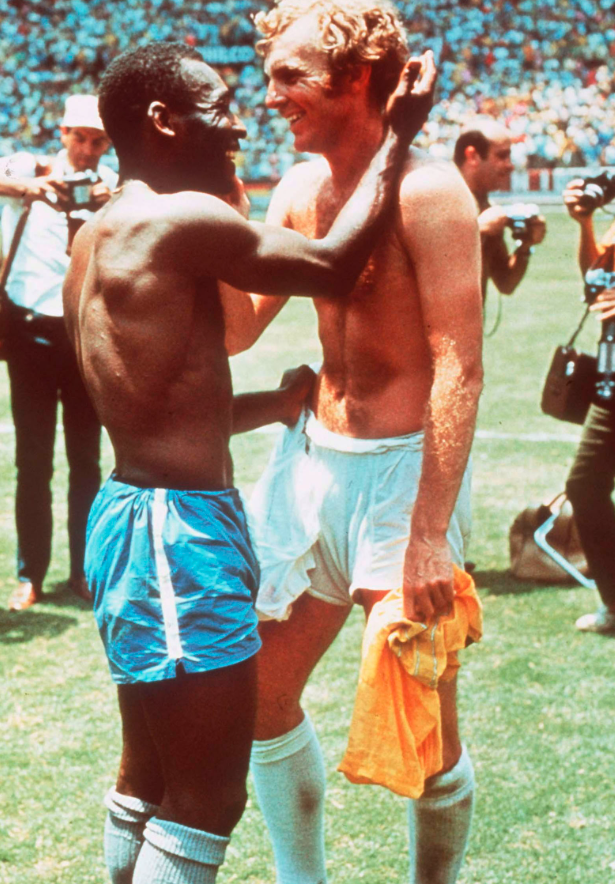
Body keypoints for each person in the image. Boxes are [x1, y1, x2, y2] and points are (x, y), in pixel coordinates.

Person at [62, 41, 435, 884]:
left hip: (137, 516)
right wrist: (398, 135)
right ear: (162, 120)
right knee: (205, 800)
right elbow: (334, 265)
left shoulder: (97, 233)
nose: (240, 122)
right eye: (219, 103)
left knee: (149, 778)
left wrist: (268, 404)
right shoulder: (177, 219)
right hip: (175, 533)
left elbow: (150, 400)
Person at [223, 2, 484, 882]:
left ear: (357, 78)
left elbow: (460, 370)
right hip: (310, 468)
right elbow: (234, 332)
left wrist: (427, 532)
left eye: (290, 77)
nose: (272, 97)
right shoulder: (297, 189)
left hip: (402, 480)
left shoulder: (430, 190)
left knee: (422, 721)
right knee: (258, 697)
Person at [0, 95, 116, 611]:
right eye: (79, 137)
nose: (87, 149)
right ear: (61, 133)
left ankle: (85, 571)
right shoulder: (28, 167)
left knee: (87, 461)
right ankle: (30, 573)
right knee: (32, 461)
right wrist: (27, 188)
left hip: (84, 335)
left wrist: (110, 200)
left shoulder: (114, 185)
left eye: (98, 140)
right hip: (30, 334)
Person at [563, 176, 615, 634]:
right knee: (584, 486)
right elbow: (593, 282)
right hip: (609, 387)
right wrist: (585, 224)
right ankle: (614, 604)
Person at [454, 121, 546, 301]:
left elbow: (506, 282)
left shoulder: (486, 207)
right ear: (472, 155)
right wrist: (477, 230)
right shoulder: (437, 196)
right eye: (502, 156)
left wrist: (525, 245)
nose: (510, 165)